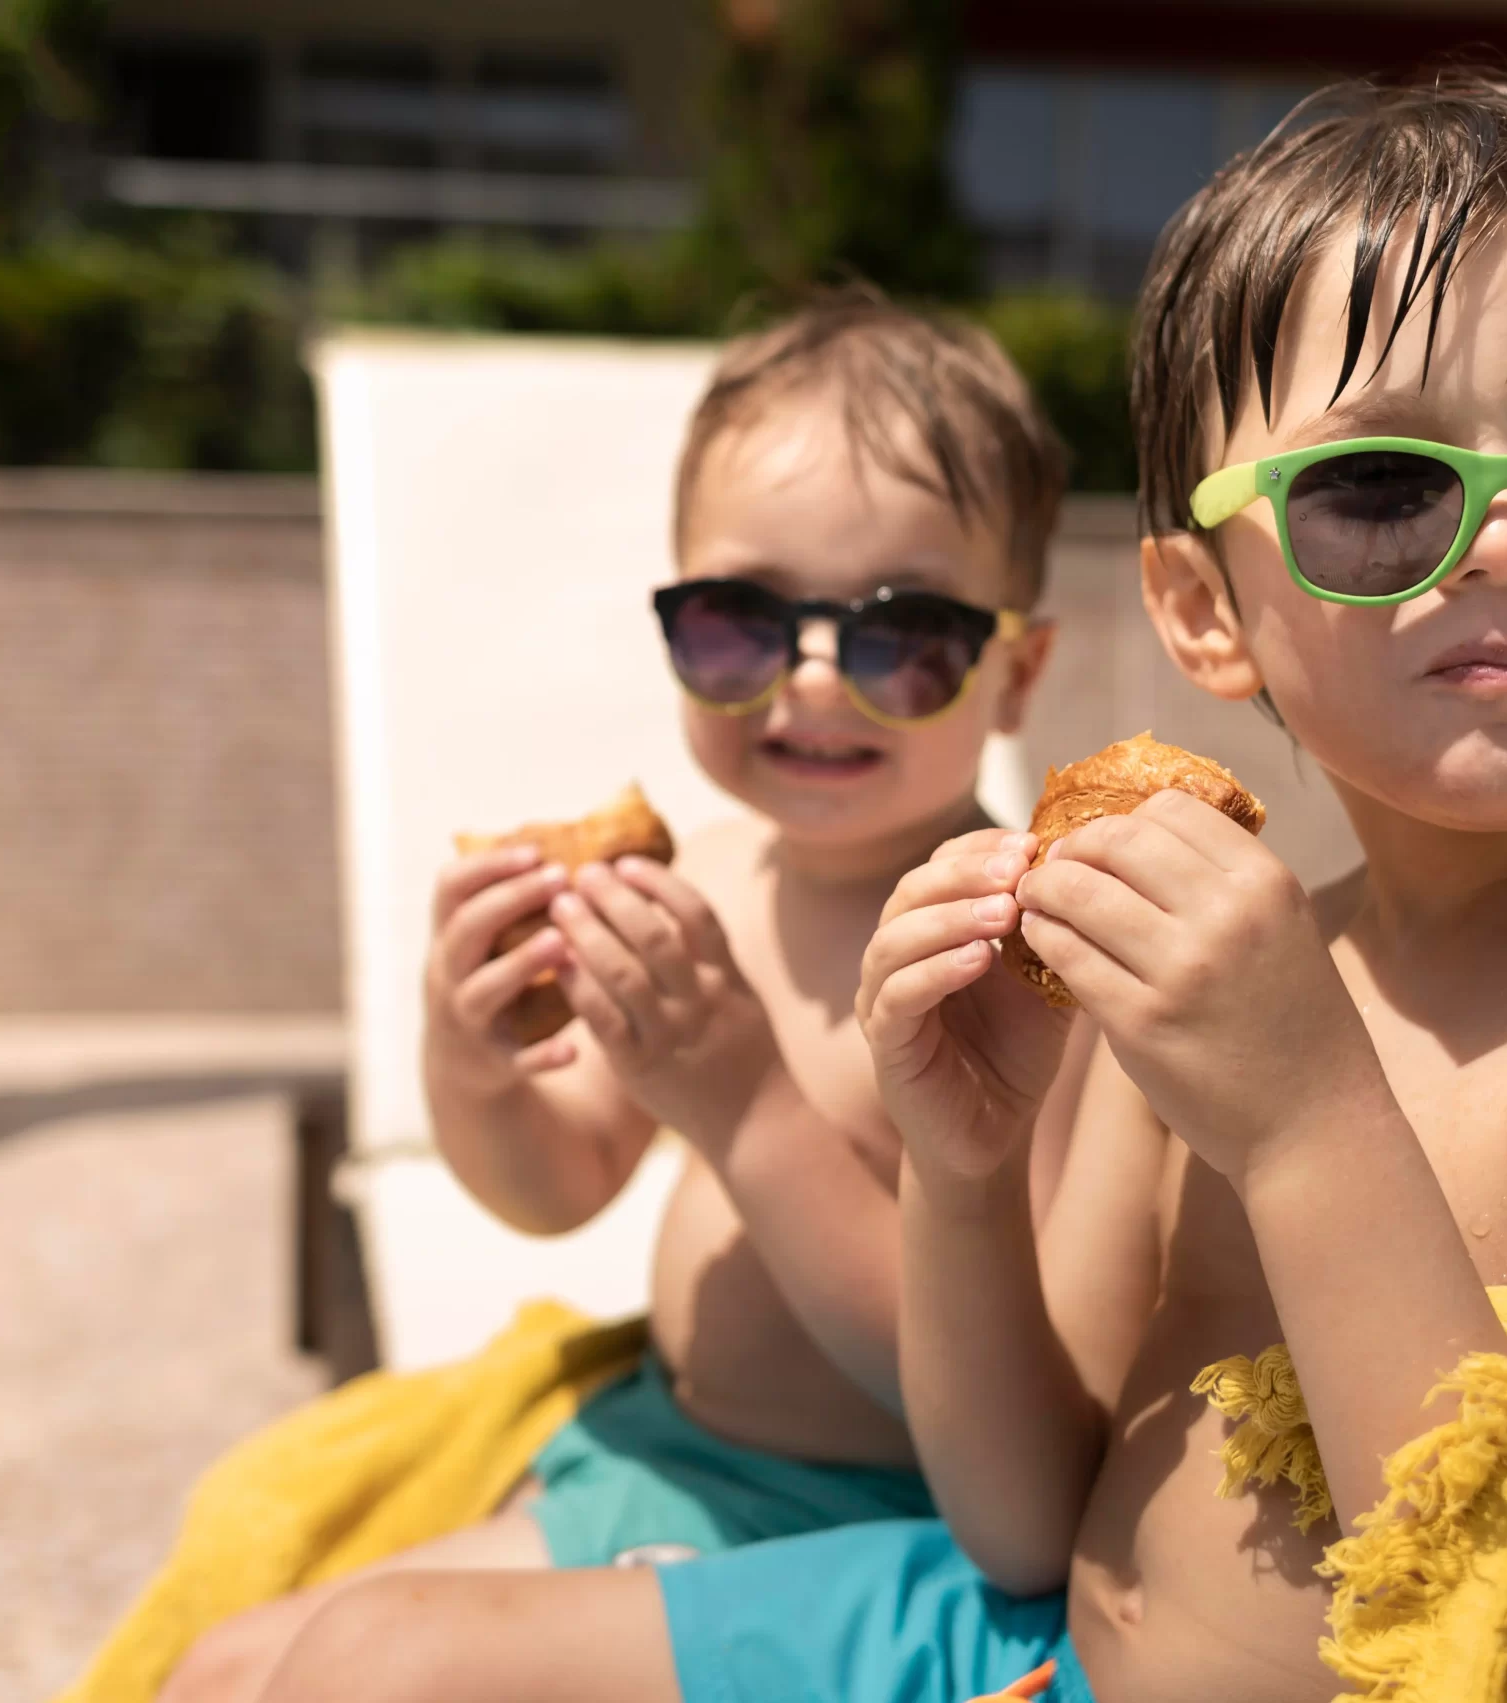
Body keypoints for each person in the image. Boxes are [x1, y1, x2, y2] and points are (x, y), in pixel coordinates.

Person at [250, 73, 1507, 1703]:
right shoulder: (1229, 971)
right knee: (351, 1664)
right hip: (1019, 1646)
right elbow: (1016, 1510)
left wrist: (1301, 1122)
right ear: (1201, 611)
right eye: (1377, 488)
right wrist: (965, 1173)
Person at [158, 288, 1074, 1701]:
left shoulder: (1005, 955)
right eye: (738, 621)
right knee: (219, 1670)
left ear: (1015, 671)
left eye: (904, 632)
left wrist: (747, 1104)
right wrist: (469, 1058)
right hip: (655, 1455)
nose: (814, 674)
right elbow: (559, 1175)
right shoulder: (700, 876)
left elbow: (991, 1393)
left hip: (864, 1525)